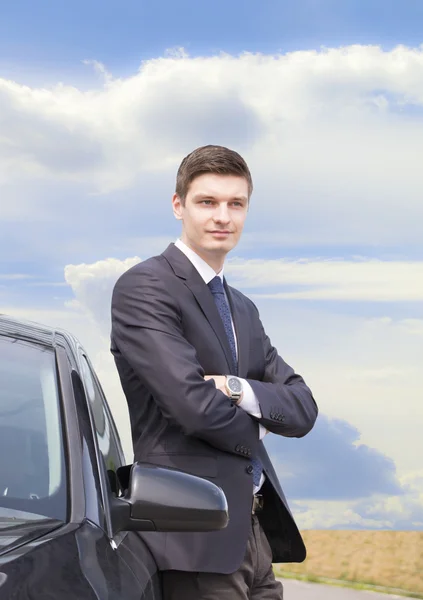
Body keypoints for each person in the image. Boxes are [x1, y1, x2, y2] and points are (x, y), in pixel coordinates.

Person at [110, 145, 318, 599]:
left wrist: (238, 389)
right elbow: (193, 406)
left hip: (255, 531)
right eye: (207, 202)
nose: (222, 216)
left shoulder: (243, 308)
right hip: (190, 535)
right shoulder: (145, 287)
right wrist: (263, 423)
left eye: (235, 204)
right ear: (178, 205)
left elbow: (303, 406)